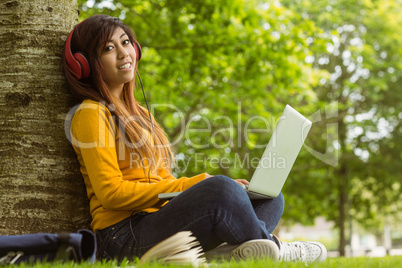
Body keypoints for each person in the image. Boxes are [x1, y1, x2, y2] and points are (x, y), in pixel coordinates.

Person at [63, 14, 327, 264]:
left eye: (126, 42)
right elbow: (111, 194)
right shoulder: (91, 112)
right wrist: (200, 185)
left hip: (159, 223)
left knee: (270, 197)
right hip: (122, 238)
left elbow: (163, 183)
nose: (123, 53)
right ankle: (274, 248)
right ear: (86, 64)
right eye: (108, 48)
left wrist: (214, 190)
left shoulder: (142, 115)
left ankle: (230, 252)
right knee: (221, 189)